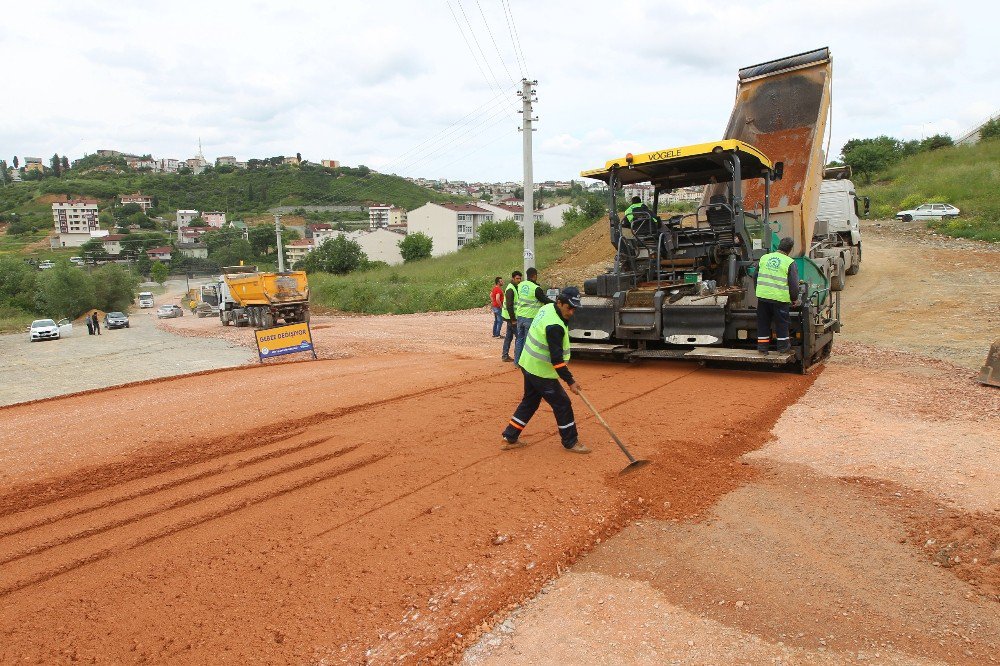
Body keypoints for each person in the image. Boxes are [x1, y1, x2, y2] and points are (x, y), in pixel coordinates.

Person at [501, 287, 590, 454]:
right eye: (569, 307)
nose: (572, 312)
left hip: (528, 363)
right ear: (559, 302)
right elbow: (557, 361)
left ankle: (510, 436)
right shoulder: (554, 326)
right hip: (540, 371)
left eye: (574, 308)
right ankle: (570, 442)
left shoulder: (547, 307)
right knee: (562, 403)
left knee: (530, 401)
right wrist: (570, 381)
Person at [755, 237, 800, 354]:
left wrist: (760, 291)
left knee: (763, 323)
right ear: (790, 249)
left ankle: (762, 348)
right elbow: (794, 284)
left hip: (763, 297)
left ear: (779, 245)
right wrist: (794, 298)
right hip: (780, 299)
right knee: (782, 323)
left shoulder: (764, 258)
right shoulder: (789, 262)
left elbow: (756, 277)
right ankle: (783, 348)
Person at [513, 267, 553, 364]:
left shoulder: (521, 285)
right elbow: (544, 300)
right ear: (535, 276)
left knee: (519, 339)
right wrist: (555, 303)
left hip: (520, 316)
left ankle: (517, 361)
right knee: (528, 341)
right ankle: (526, 363)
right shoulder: (536, 288)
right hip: (530, 318)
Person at [501, 271, 522, 362]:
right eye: (517, 278)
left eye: (520, 278)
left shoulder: (514, 287)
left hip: (509, 317)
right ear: (513, 278)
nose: (519, 280)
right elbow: (509, 305)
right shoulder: (511, 289)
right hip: (511, 318)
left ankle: (505, 356)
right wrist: (513, 319)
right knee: (519, 337)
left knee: (509, 337)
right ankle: (518, 358)